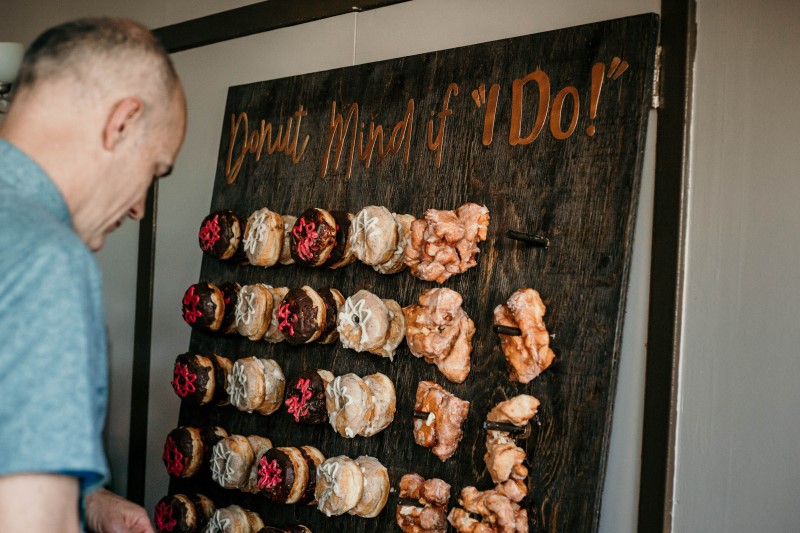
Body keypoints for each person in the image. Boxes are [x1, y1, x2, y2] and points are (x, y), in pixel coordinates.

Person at [0, 17, 186, 532]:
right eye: (154, 169)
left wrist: (85, 500)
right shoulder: (48, 260)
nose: (140, 209)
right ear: (122, 122)